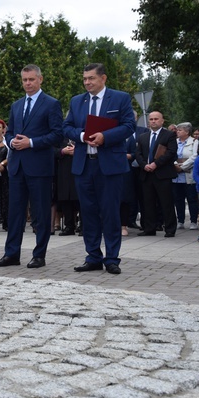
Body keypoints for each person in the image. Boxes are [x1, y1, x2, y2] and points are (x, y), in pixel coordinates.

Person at [63, 63, 134, 275]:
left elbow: (129, 125)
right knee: (89, 213)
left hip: (109, 166)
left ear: (103, 78)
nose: (87, 82)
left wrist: (106, 137)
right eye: (84, 78)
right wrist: (83, 136)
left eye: (91, 78)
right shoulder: (77, 101)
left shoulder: (120, 98)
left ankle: (112, 258)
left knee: (110, 212)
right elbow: (66, 127)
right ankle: (93, 256)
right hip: (84, 165)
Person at [0, 65, 63, 269]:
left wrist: (30, 142)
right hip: (16, 167)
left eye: (31, 79)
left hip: (39, 167)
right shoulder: (16, 105)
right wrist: (11, 140)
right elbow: (10, 131)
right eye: (24, 80)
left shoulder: (51, 104)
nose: (28, 83)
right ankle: (11, 254)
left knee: (40, 214)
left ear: (40, 79)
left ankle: (39, 255)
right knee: (14, 213)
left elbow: (57, 135)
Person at [136, 111, 178, 237]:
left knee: (166, 202)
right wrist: (144, 165)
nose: (153, 121)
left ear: (162, 121)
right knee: (148, 203)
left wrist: (156, 164)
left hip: (162, 174)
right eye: (151, 119)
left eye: (156, 119)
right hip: (147, 174)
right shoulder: (143, 136)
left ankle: (170, 229)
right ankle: (149, 228)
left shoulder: (169, 135)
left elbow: (171, 153)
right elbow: (138, 153)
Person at [172, 122, 199, 230]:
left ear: (187, 132)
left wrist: (182, 166)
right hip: (176, 176)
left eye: (180, 130)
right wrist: (175, 165)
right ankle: (180, 220)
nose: (177, 132)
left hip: (188, 174)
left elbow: (195, 156)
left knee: (191, 199)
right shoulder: (175, 142)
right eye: (177, 130)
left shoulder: (194, 142)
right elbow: (170, 154)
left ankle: (193, 221)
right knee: (178, 199)